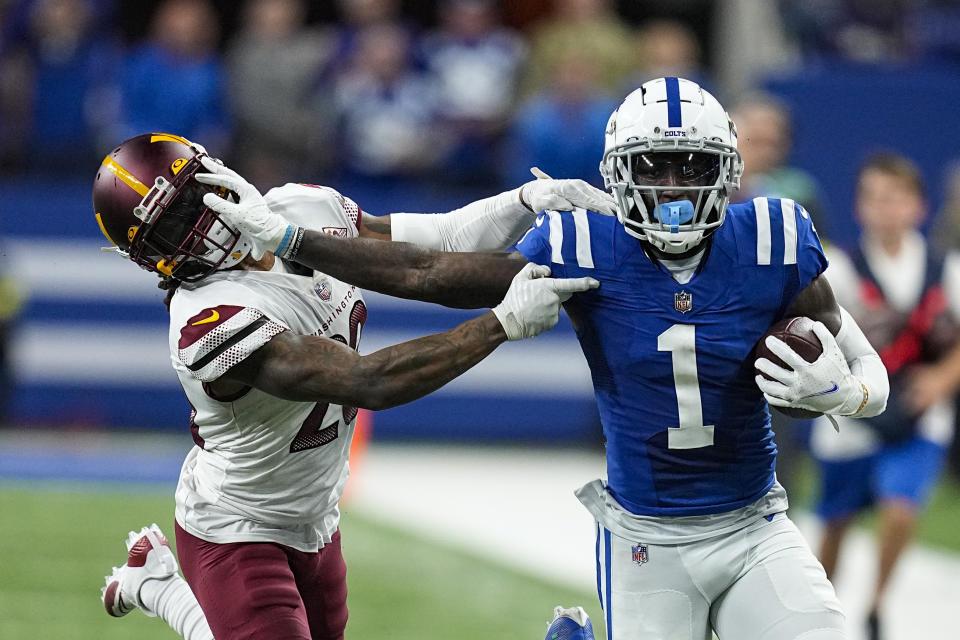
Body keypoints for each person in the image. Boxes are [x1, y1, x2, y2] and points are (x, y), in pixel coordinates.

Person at [206, 77, 890, 640]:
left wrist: (846, 397)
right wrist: (292, 238)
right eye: (654, 165)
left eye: (694, 166)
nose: (675, 186)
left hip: (754, 525)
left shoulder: (773, 236)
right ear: (618, 173)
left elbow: (871, 371)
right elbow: (428, 273)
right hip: (646, 539)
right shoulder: (588, 245)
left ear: (729, 172)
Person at [93, 132, 610, 640]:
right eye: (178, 226)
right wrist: (500, 324)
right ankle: (160, 588)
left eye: (198, 200)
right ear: (153, 258)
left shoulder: (299, 209)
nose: (206, 226)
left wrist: (523, 201)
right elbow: (370, 382)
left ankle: (156, 584)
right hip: (237, 525)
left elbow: (436, 247)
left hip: (316, 515)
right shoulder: (204, 323)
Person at [809, 152, 960, 640]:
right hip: (855, 412)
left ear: (917, 206)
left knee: (901, 506)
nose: (884, 209)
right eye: (873, 198)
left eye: (894, 198)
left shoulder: (947, 269)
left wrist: (941, 380)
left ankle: (875, 603)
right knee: (835, 523)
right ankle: (816, 612)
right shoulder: (841, 271)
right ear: (858, 208)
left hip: (919, 413)